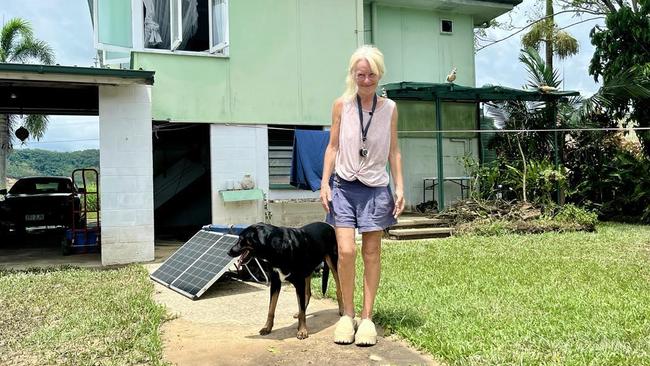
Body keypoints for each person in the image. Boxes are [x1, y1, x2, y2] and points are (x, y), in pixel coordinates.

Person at [320, 45, 404, 346]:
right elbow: (332, 146)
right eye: (360, 75)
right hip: (343, 186)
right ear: (353, 75)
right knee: (345, 252)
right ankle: (347, 315)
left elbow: (394, 150)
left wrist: (400, 186)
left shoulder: (390, 109)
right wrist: (325, 183)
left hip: (376, 188)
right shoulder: (341, 105)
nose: (366, 80)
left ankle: (367, 318)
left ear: (379, 75)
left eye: (371, 74)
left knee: (371, 253)